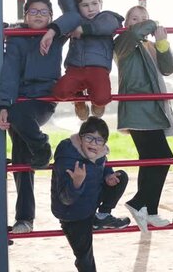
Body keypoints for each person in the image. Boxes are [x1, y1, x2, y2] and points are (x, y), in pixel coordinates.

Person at [0, 0, 81, 234]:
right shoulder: (16, 38)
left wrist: (53, 31)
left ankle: (42, 147)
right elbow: (10, 73)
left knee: (21, 125)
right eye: (33, 11)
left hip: (42, 101)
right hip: (17, 103)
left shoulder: (57, 36)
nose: (38, 16)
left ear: (51, 17)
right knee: (22, 158)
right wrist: (3, 105)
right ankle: (25, 219)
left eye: (44, 12)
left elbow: (75, 14)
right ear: (25, 15)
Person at [113, 5, 173, 232]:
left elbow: (168, 68)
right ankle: (138, 202)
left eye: (143, 18)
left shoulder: (149, 46)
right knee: (164, 156)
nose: (139, 22)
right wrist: (154, 24)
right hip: (138, 109)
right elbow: (135, 33)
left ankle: (149, 211)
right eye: (134, 18)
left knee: (151, 160)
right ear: (127, 24)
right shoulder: (123, 42)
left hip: (153, 110)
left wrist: (162, 43)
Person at [41, 0, 124, 121]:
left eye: (94, 3)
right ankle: (79, 101)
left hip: (98, 68)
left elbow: (108, 25)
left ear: (101, 4)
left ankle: (98, 105)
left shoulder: (106, 17)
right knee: (60, 92)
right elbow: (66, 0)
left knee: (101, 96)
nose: (91, 8)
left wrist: (84, 30)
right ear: (78, 8)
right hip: (75, 67)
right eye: (85, 5)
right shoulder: (76, 18)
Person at [51, 116, 130, 272]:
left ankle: (102, 216)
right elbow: (65, 199)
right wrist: (76, 183)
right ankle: (94, 220)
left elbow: (103, 165)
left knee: (121, 177)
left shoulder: (99, 153)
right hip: (72, 212)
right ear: (80, 137)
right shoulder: (68, 156)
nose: (94, 143)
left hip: (90, 202)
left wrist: (108, 176)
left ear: (104, 143)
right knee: (85, 256)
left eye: (99, 140)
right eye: (89, 138)